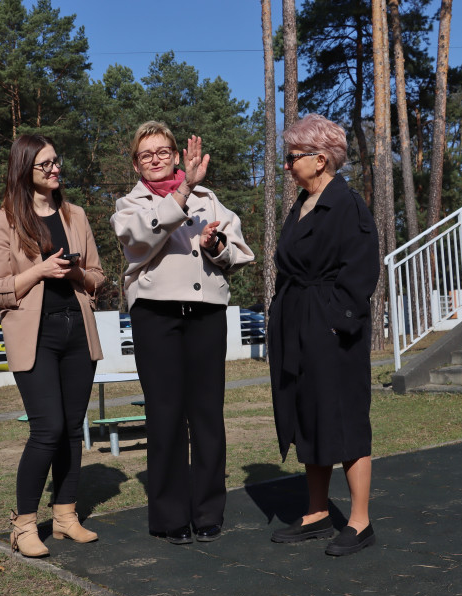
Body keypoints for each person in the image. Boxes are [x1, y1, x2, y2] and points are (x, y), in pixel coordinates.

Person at [111, 121, 254, 544]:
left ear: (176, 155)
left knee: (207, 414)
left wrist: (215, 246)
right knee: (166, 414)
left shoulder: (209, 200)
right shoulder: (129, 205)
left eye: (163, 152)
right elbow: (138, 240)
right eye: (146, 154)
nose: (155, 159)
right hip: (156, 316)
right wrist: (182, 192)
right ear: (136, 164)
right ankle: (170, 517)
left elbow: (238, 253)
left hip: (206, 314)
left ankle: (208, 512)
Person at [0, 133, 105, 558]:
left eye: (57, 161)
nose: (56, 169)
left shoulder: (76, 215)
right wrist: (40, 270)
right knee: (47, 429)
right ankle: (22, 525)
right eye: (46, 164)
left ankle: (66, 516)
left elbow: (97, 277)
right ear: (25, 170)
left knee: (72, 428)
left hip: (78, 332)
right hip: (35, 337)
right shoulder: (3, 220)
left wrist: (75, 274)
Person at [268, 114, 381, 556]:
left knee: (344, 416)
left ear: (320, 159)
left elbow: (361, 269)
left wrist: (337, 322)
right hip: (297, 323)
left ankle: (359, 521)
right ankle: (317, 513)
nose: (287, 165)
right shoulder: (301, 204)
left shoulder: (347, 204)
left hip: (333, 329)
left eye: (293, 156)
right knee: (309, 414)